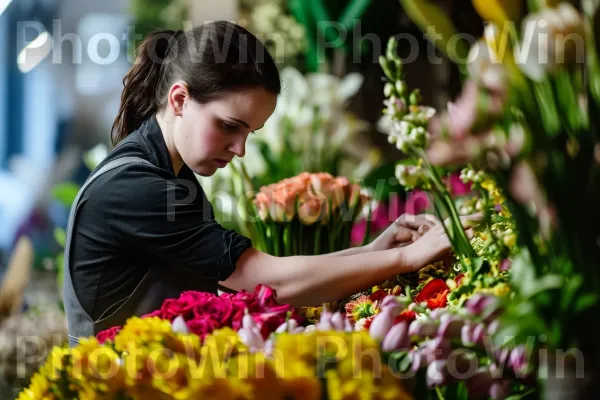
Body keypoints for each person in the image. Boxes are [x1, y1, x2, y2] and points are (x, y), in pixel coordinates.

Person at [63, 21, 475, 344]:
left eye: (249, 133)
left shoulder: (166, 172)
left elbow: (246, 279)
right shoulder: (136, 186)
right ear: (179, 100)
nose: (239, 149)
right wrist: (407, 258)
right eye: (229, 126)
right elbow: (266, 279)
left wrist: (372, 250)